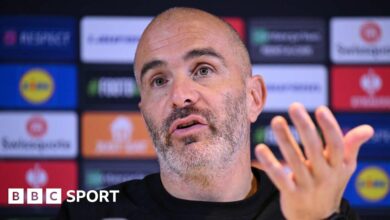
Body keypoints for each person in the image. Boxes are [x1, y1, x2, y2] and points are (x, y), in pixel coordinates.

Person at [57, 7, 374, 220]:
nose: (180, 96)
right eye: (158, 80)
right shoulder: (88, 212)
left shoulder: (313, 210)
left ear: (253, 97)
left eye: (203, 70)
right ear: (144, 113)